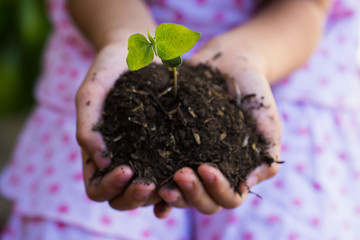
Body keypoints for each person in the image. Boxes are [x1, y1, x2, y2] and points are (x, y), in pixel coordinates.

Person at [1, 0, 360, 239]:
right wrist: (121, 36)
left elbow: (308, 6)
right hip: (107, 38)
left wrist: (251, 55)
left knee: (290, 227)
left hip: (284, 58)